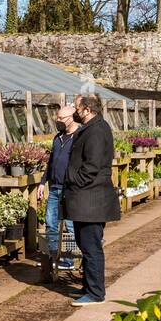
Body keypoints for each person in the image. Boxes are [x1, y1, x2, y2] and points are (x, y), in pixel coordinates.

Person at [62, 93, 121, 306]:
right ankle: (89, 286)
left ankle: (96, 293)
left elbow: (92, 166)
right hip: (86, 198)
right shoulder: (93, 127)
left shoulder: (96, 130)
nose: (74, 110)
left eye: (77, 107)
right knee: (86, 244)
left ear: (87, 109)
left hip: (90, 198)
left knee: (91, 246)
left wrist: (72, 180)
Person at [36, 101, 79, 271]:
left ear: (71, 118)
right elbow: (51, 162)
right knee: (50, 222)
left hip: (70, 188)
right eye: (57, 117)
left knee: (70, 225)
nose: (58, 120)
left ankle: (69, 260)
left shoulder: (79, 137)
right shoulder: (58, 137)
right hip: (54, 187)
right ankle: (52, 257)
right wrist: (42, 182)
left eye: (61, 118)